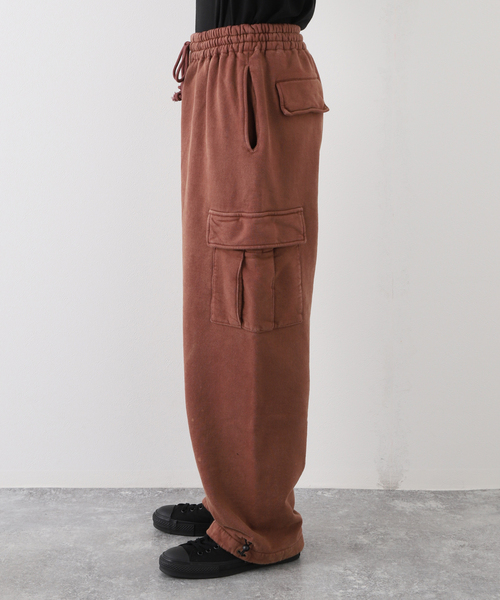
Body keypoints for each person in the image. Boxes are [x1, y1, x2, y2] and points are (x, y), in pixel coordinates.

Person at [154, 0, 329, 579]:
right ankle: (231, 498)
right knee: (219, 293)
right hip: (222, 68)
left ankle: (257, 526)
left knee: (254, 301)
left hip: (253, 67)